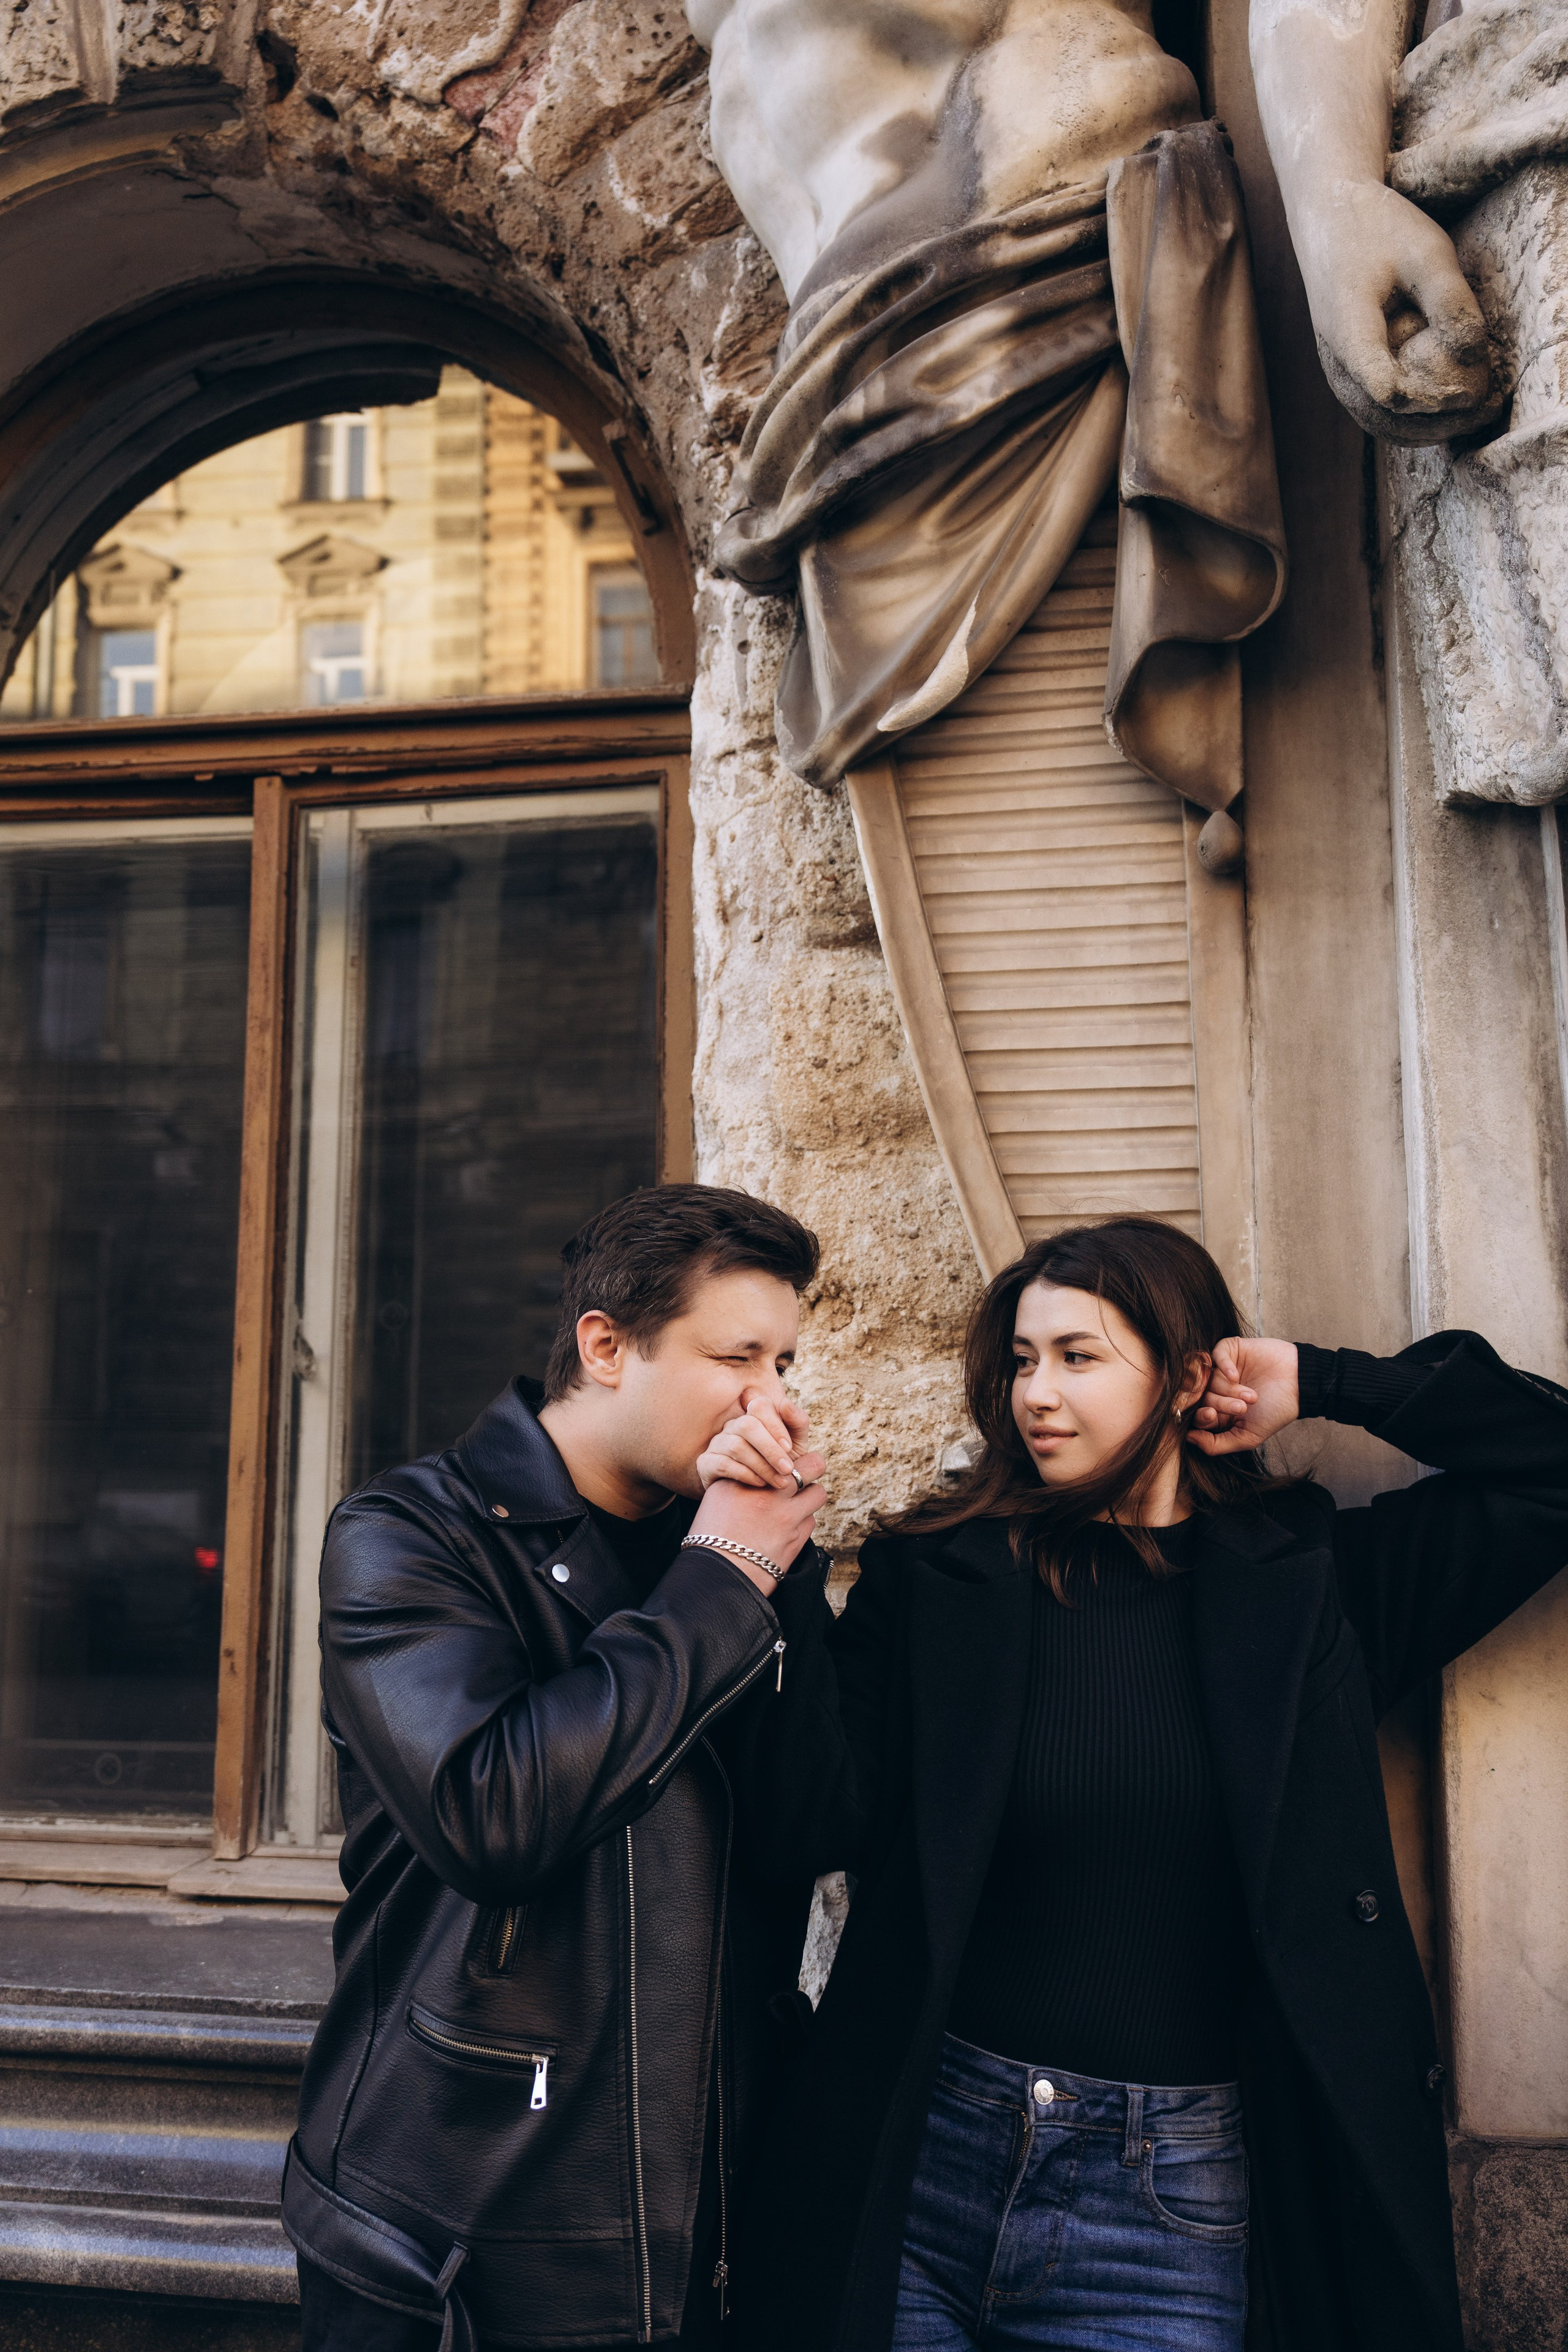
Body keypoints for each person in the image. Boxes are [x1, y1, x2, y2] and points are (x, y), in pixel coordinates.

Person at [706, 1215, 1568, 2352]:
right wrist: (773, 1574)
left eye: (1079, 1356)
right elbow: (809, 1818)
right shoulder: (937, 1581)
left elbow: (1548, 1469)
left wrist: (1323, 1380)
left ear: (1182, 1377)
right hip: (925, 2157)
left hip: (1171, 2205)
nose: (1036, 1396)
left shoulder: (1311, 1591)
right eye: (1021, 1360)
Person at [280, 1183, 830, 2352]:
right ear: (606, 1347)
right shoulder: (410, 1535)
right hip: (465, 2230)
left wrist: (786, 1583)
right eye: (738, 1356)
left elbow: (811, 1822)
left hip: (711, 2224)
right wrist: (724, 1578)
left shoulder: (736, 1540)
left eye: (785, 1361)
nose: (770, 1400)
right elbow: (496, 1817)